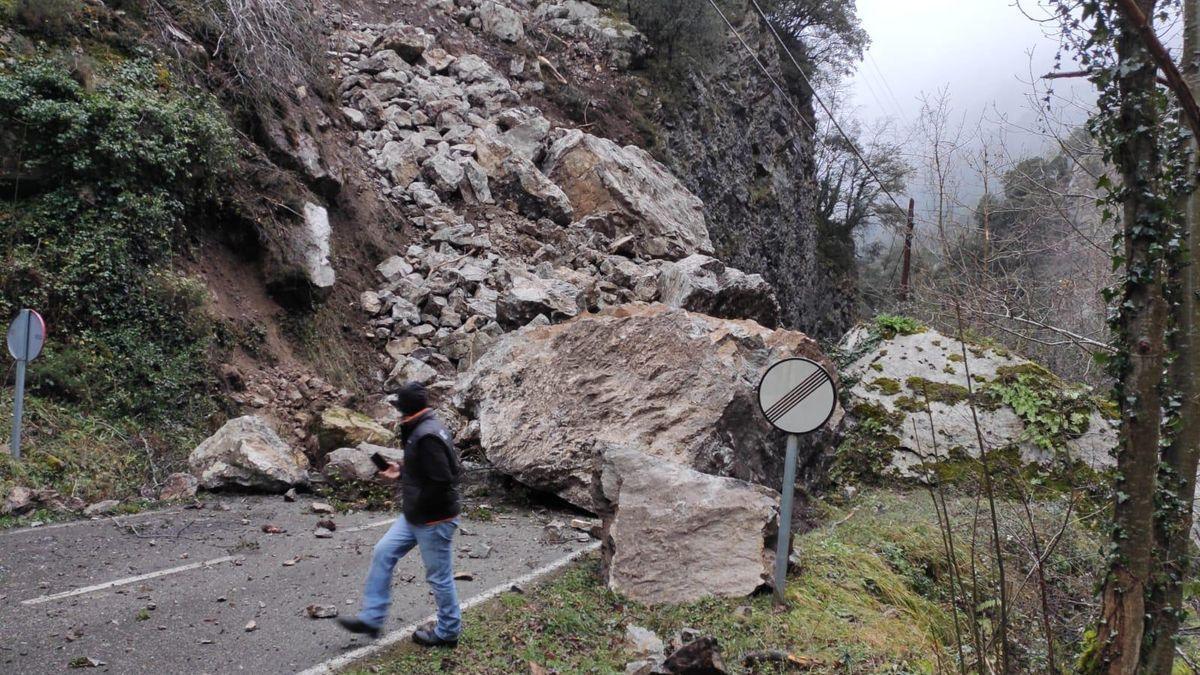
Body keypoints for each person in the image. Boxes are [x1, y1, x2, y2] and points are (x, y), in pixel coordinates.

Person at [337, 381, 462, 648]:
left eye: (398, 406)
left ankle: (448, 631)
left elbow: (444, 478)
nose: (396, 412)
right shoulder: (422, 428)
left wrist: (422, 506)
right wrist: (400, 470)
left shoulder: (427, 435)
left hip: (434, 519)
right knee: (383, 551)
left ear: (406, 408)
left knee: (439, 577)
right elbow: (424, 469)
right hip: (416, 515)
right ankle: (372, 618)